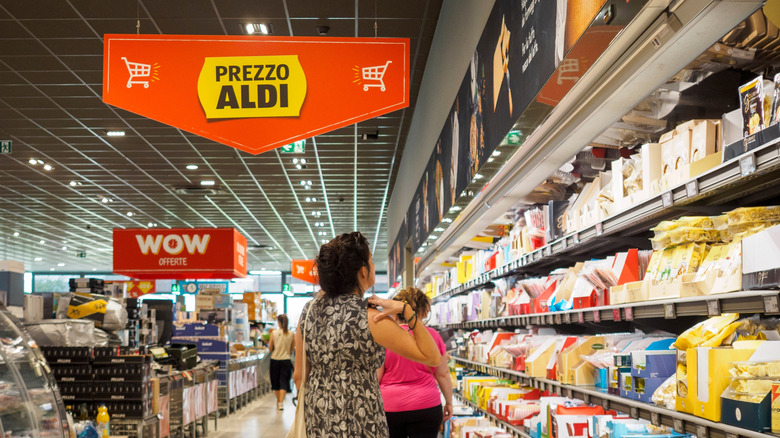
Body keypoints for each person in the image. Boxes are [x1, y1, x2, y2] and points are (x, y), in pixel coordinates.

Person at [293, 232, 442, 437]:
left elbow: (299, 376)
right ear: (363, 272)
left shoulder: (308, 311)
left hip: (318, 418)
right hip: (361, 417)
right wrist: (406, 310)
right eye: (371, 261)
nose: (372, 266)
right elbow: (431, 356)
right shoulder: (370, 317)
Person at [378, 288, 453, 438]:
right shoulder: (433, 336)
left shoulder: (384, 336)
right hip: (426, 406)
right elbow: (442, 373)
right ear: (424, 311)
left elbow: (377, 376)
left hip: (390, 407)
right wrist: (449, 402)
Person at [269, 314, 294, 410]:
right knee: (284, 381)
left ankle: (278, 401)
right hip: (286, 360)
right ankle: (281, 402)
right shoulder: (291, 334)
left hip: (275, 360)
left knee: (275, 382)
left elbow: (270, 348)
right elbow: (292, 349)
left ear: (279, 322)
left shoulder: (274, 333)